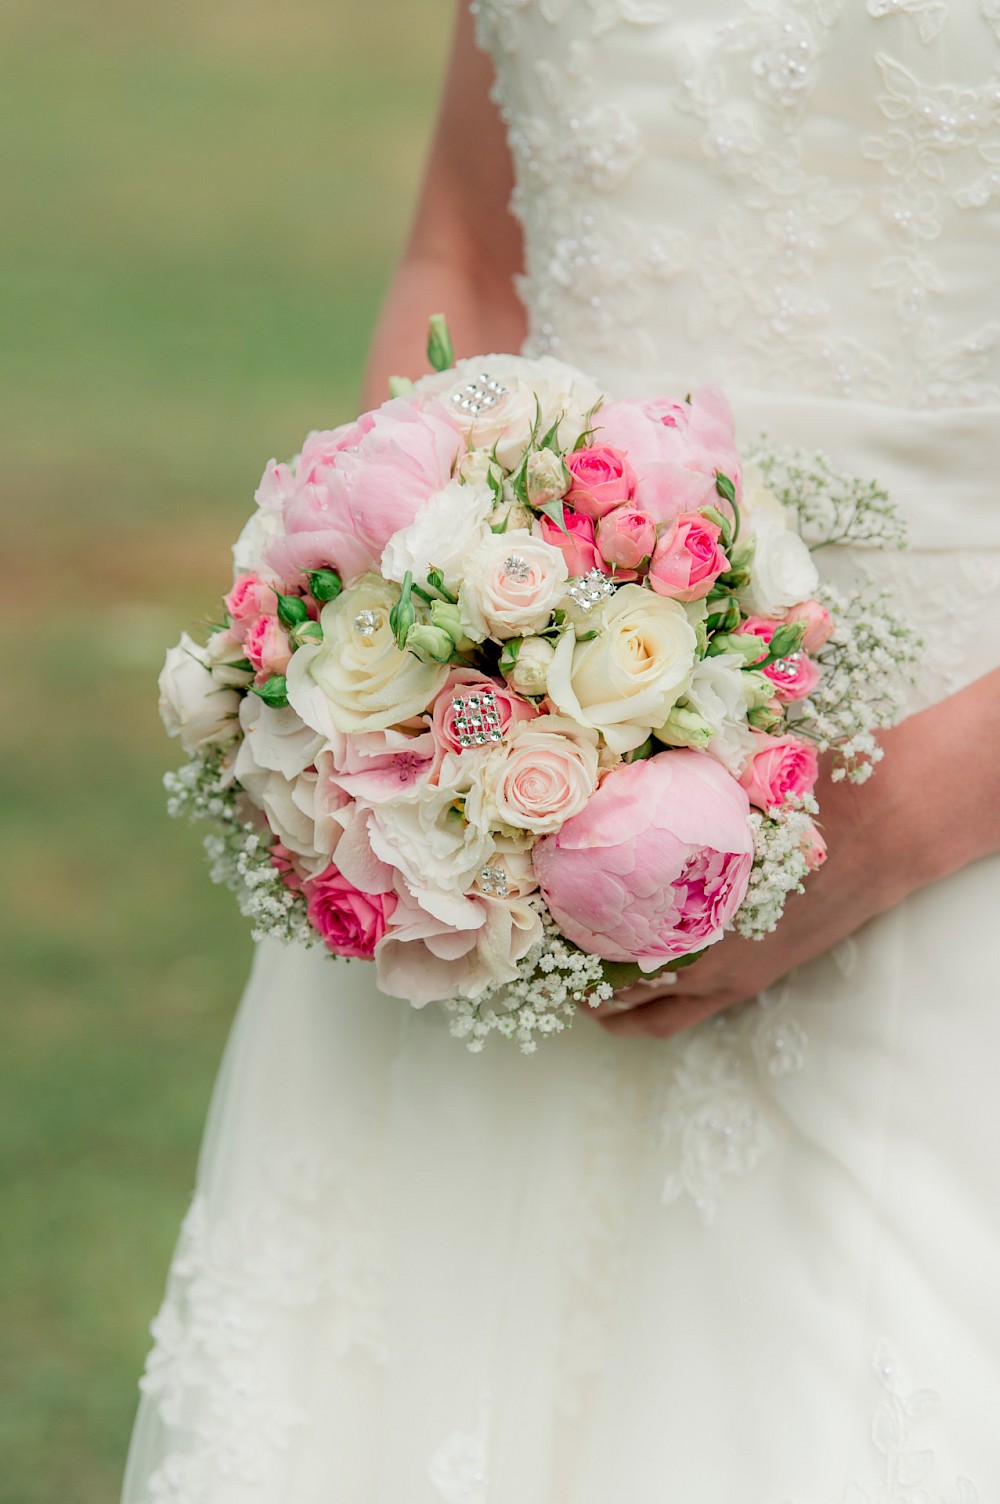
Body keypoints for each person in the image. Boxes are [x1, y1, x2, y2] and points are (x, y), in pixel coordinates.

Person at [122, 3, 1000, 1499]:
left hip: (947, 798)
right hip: (496, 804)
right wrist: (405, 654)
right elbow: (466, 250)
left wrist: (919, 813)